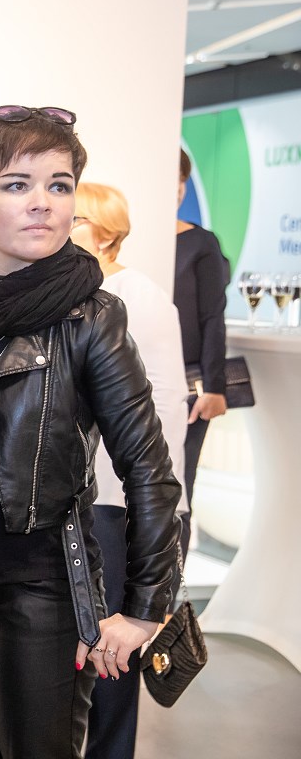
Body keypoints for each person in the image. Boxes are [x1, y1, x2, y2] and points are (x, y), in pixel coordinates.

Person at [0, 106, 182, 759]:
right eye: (17, 184)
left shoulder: (91, 318)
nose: (42, 202)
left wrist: (145, 608)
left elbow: (148, 468)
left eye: (59, 185)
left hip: (43, 589)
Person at [71, 182, 189, 759]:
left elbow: (166, 407)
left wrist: (161, 513)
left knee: (115, 653)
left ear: (104, 232)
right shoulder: (73, 293)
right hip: (80, 498)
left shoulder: (136, 296)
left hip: (117, 502)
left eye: (75, 217)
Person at [175, 149, 228, 562]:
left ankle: (169, 588)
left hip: (189, 387)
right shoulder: (128, 241)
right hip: (133, 382)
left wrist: (214, 387)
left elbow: (213, 318)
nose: (176, 189)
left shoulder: (201, 244)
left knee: (179, 490)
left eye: (181, 180)